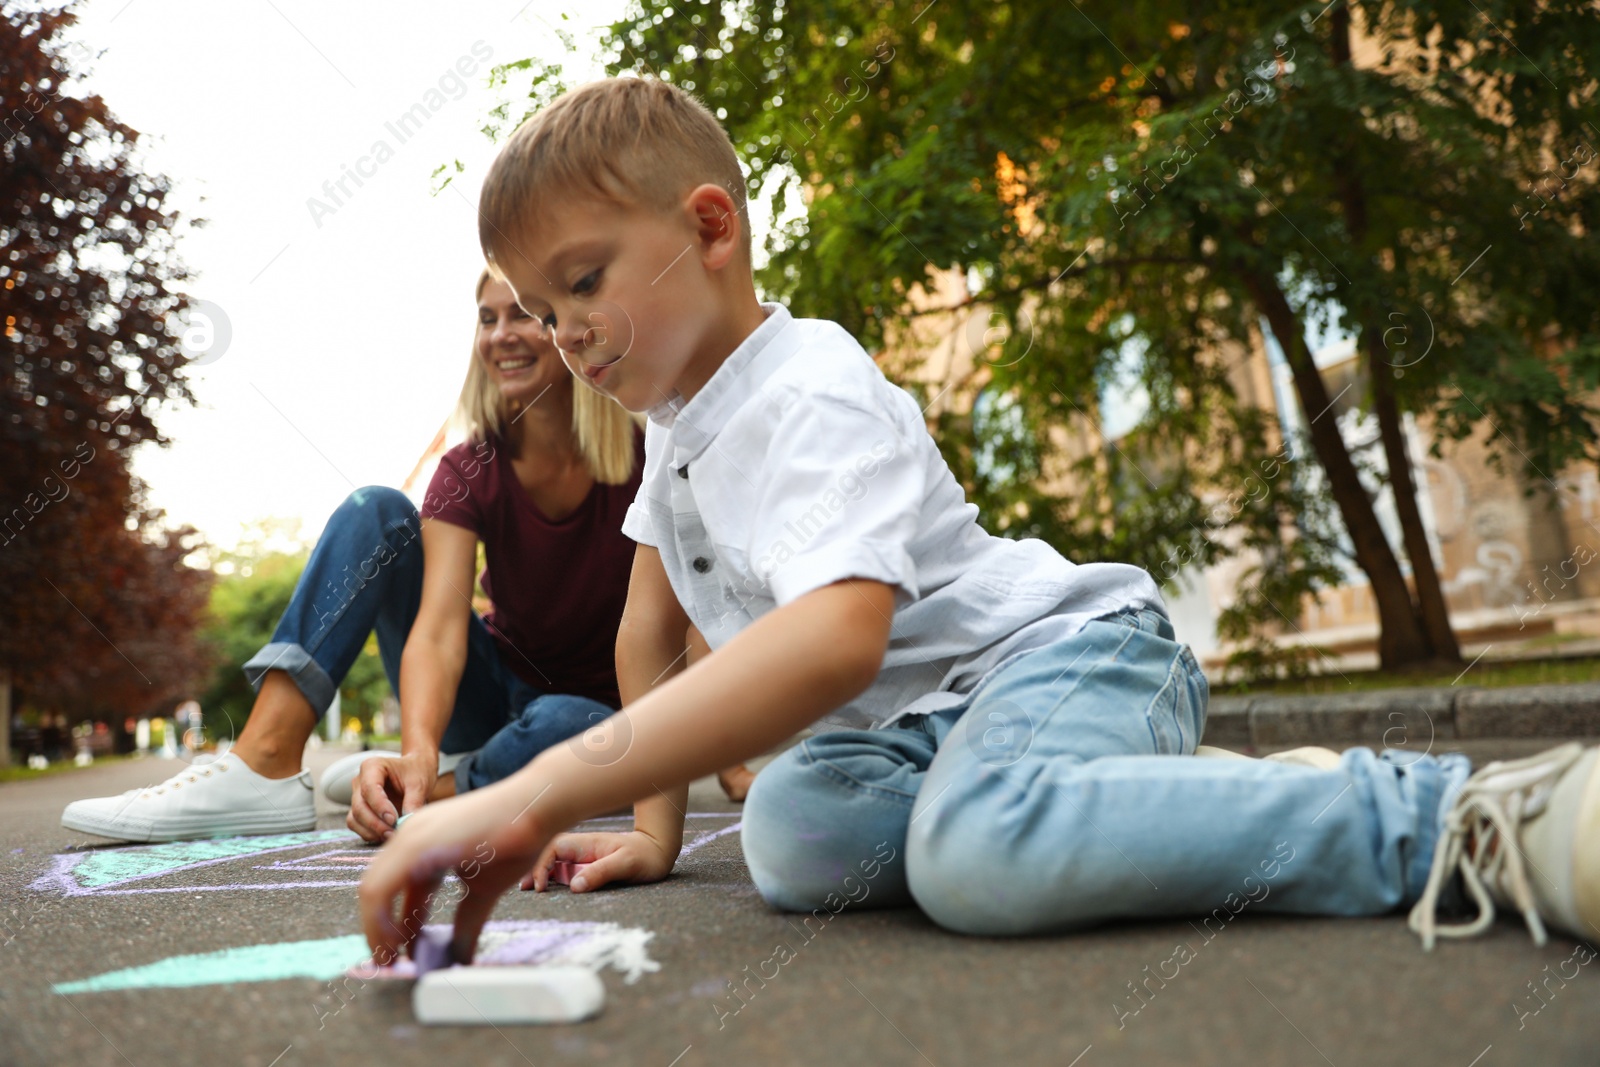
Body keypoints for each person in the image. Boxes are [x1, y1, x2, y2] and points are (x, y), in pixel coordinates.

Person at [357, 79, 1600, 964]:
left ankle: (1442, 814)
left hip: (1066, 654)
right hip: (916, 730)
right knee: (792, 836)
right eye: (534, 303)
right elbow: (645, 634)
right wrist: (650, 829)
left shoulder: (808, 387)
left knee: (976, 859)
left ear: (709, 227)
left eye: (580, 281)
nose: (560, 330)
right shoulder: (676, 430)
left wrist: (533, 794)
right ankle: (1118, 804)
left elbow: (838, 641)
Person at [66, 271, 643, 843]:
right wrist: (417, 752)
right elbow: (440, 629)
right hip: (490, 692)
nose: (499, 335)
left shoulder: (650, 455)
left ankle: (444, 786)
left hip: (606, 719)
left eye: (522, 314)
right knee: (377, 509)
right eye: (487, 319)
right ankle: (268, 758)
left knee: (572, 722)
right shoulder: (468, 469)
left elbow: (692, 612)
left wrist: (732, 759)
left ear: (571, 327)